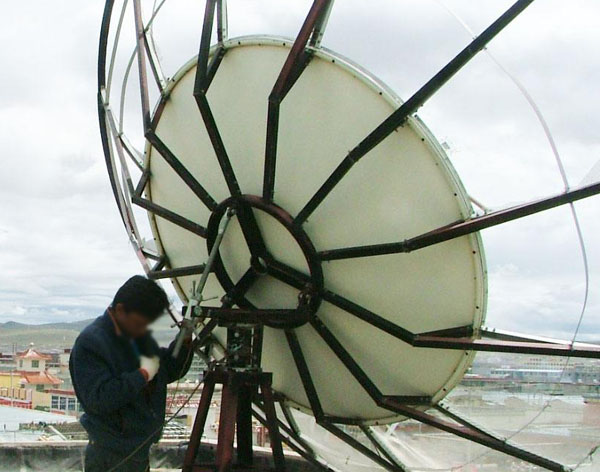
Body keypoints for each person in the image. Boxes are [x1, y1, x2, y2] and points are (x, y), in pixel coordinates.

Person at [69, 275, 194, 472]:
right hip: (109, 457)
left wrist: (184, 341)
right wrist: (142, 375)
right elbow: (99, 399)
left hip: (137, 452)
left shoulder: (137, 336)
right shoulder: (91, 343)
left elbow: (166, 371)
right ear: (120, 310)